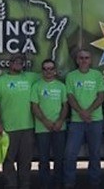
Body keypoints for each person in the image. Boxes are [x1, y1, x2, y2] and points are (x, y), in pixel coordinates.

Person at [0, 54, 38, 189]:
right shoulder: (0, 81)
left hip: (28, 127)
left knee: (26, 160)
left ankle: (25, 185)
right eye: (15, 61)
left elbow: (48, 76)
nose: (18, 64)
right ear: (9, 64)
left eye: (21, 62)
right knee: (8, 160)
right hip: (8, 128)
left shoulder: (31, 78)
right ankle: (11, 184)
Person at [63, 50, 104, 188]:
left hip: (95, 120)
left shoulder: (97, 75)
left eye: (86, 58)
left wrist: (88, 112)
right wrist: (82, 113)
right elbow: (70, 97)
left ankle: (95, 183)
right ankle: (69, 183)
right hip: (76, 122)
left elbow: (101, 96)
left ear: (90, 60)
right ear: (76, 60)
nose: (83, 60)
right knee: (70, 154)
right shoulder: (71, 76)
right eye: (81, 58)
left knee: (95, 154)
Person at [31, 59, 69, 189]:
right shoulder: (36, 86)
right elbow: (35, 106)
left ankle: (58, 185)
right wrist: (45, 121)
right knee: (43, 160)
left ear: (55, 71)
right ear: (42, 71)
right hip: (42, 128)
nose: (48, 71)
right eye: (45, 69)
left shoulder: (61, 86)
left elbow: (65, 106)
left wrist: (59, 121)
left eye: (51, 68)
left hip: (59, 128)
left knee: (59, 160)